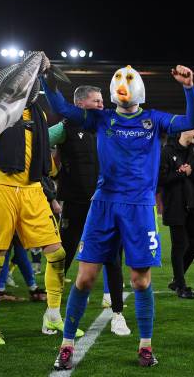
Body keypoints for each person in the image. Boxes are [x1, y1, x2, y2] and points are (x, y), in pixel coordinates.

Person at [41, 60, 194, 369]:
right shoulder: (101, 118)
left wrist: (189, 88)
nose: (123, 83)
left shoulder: (154, 119)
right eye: (119, 79)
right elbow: (61, 105)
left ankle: (145, 346)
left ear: (138, 88)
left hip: (139, 207)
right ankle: (67, 344)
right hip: (104, 204)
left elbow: (192, 119)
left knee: (140, 281)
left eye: (129, 79)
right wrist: (48, 77)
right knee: (85, 279)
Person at [0, 11, 77, 345]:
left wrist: (50, 191)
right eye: (27, 79)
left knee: (57, 254)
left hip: (33, 191)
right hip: (2, 190)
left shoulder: (38, 111)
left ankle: (52, 316)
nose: (30, 84)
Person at [50, 86, 130, 335]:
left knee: (114, 257)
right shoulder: (64, 128)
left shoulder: (106, 125)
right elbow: (37, 145)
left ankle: (116, 310)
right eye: (97, 100)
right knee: (65, 253)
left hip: (106, 204)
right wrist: (49, 190)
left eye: (102, 100)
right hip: (76, 202)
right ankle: (53, 311)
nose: (101, 104)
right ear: (81, 104)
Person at [159, 128, 194, 299]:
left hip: (193, 205)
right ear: (184, 131)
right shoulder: (167, 151)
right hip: (175, 205)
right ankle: (181, 286)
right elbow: (160, 179)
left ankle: (177, 280)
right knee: (180, 245)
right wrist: (179, 173)